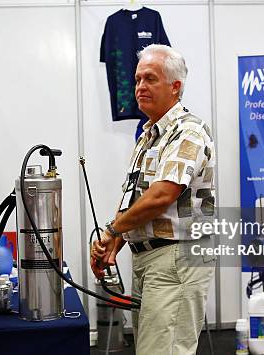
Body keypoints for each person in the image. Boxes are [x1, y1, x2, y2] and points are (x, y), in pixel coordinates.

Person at [90, 44, 216, 354]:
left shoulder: (188, 131)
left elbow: (161, 196)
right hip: (151, 258)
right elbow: (136, 196)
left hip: (176, 258)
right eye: (137, 79)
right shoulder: (149, 135)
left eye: (150, 79)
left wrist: (114, 230)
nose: (140, 87)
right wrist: (114, 243)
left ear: (175, 87)